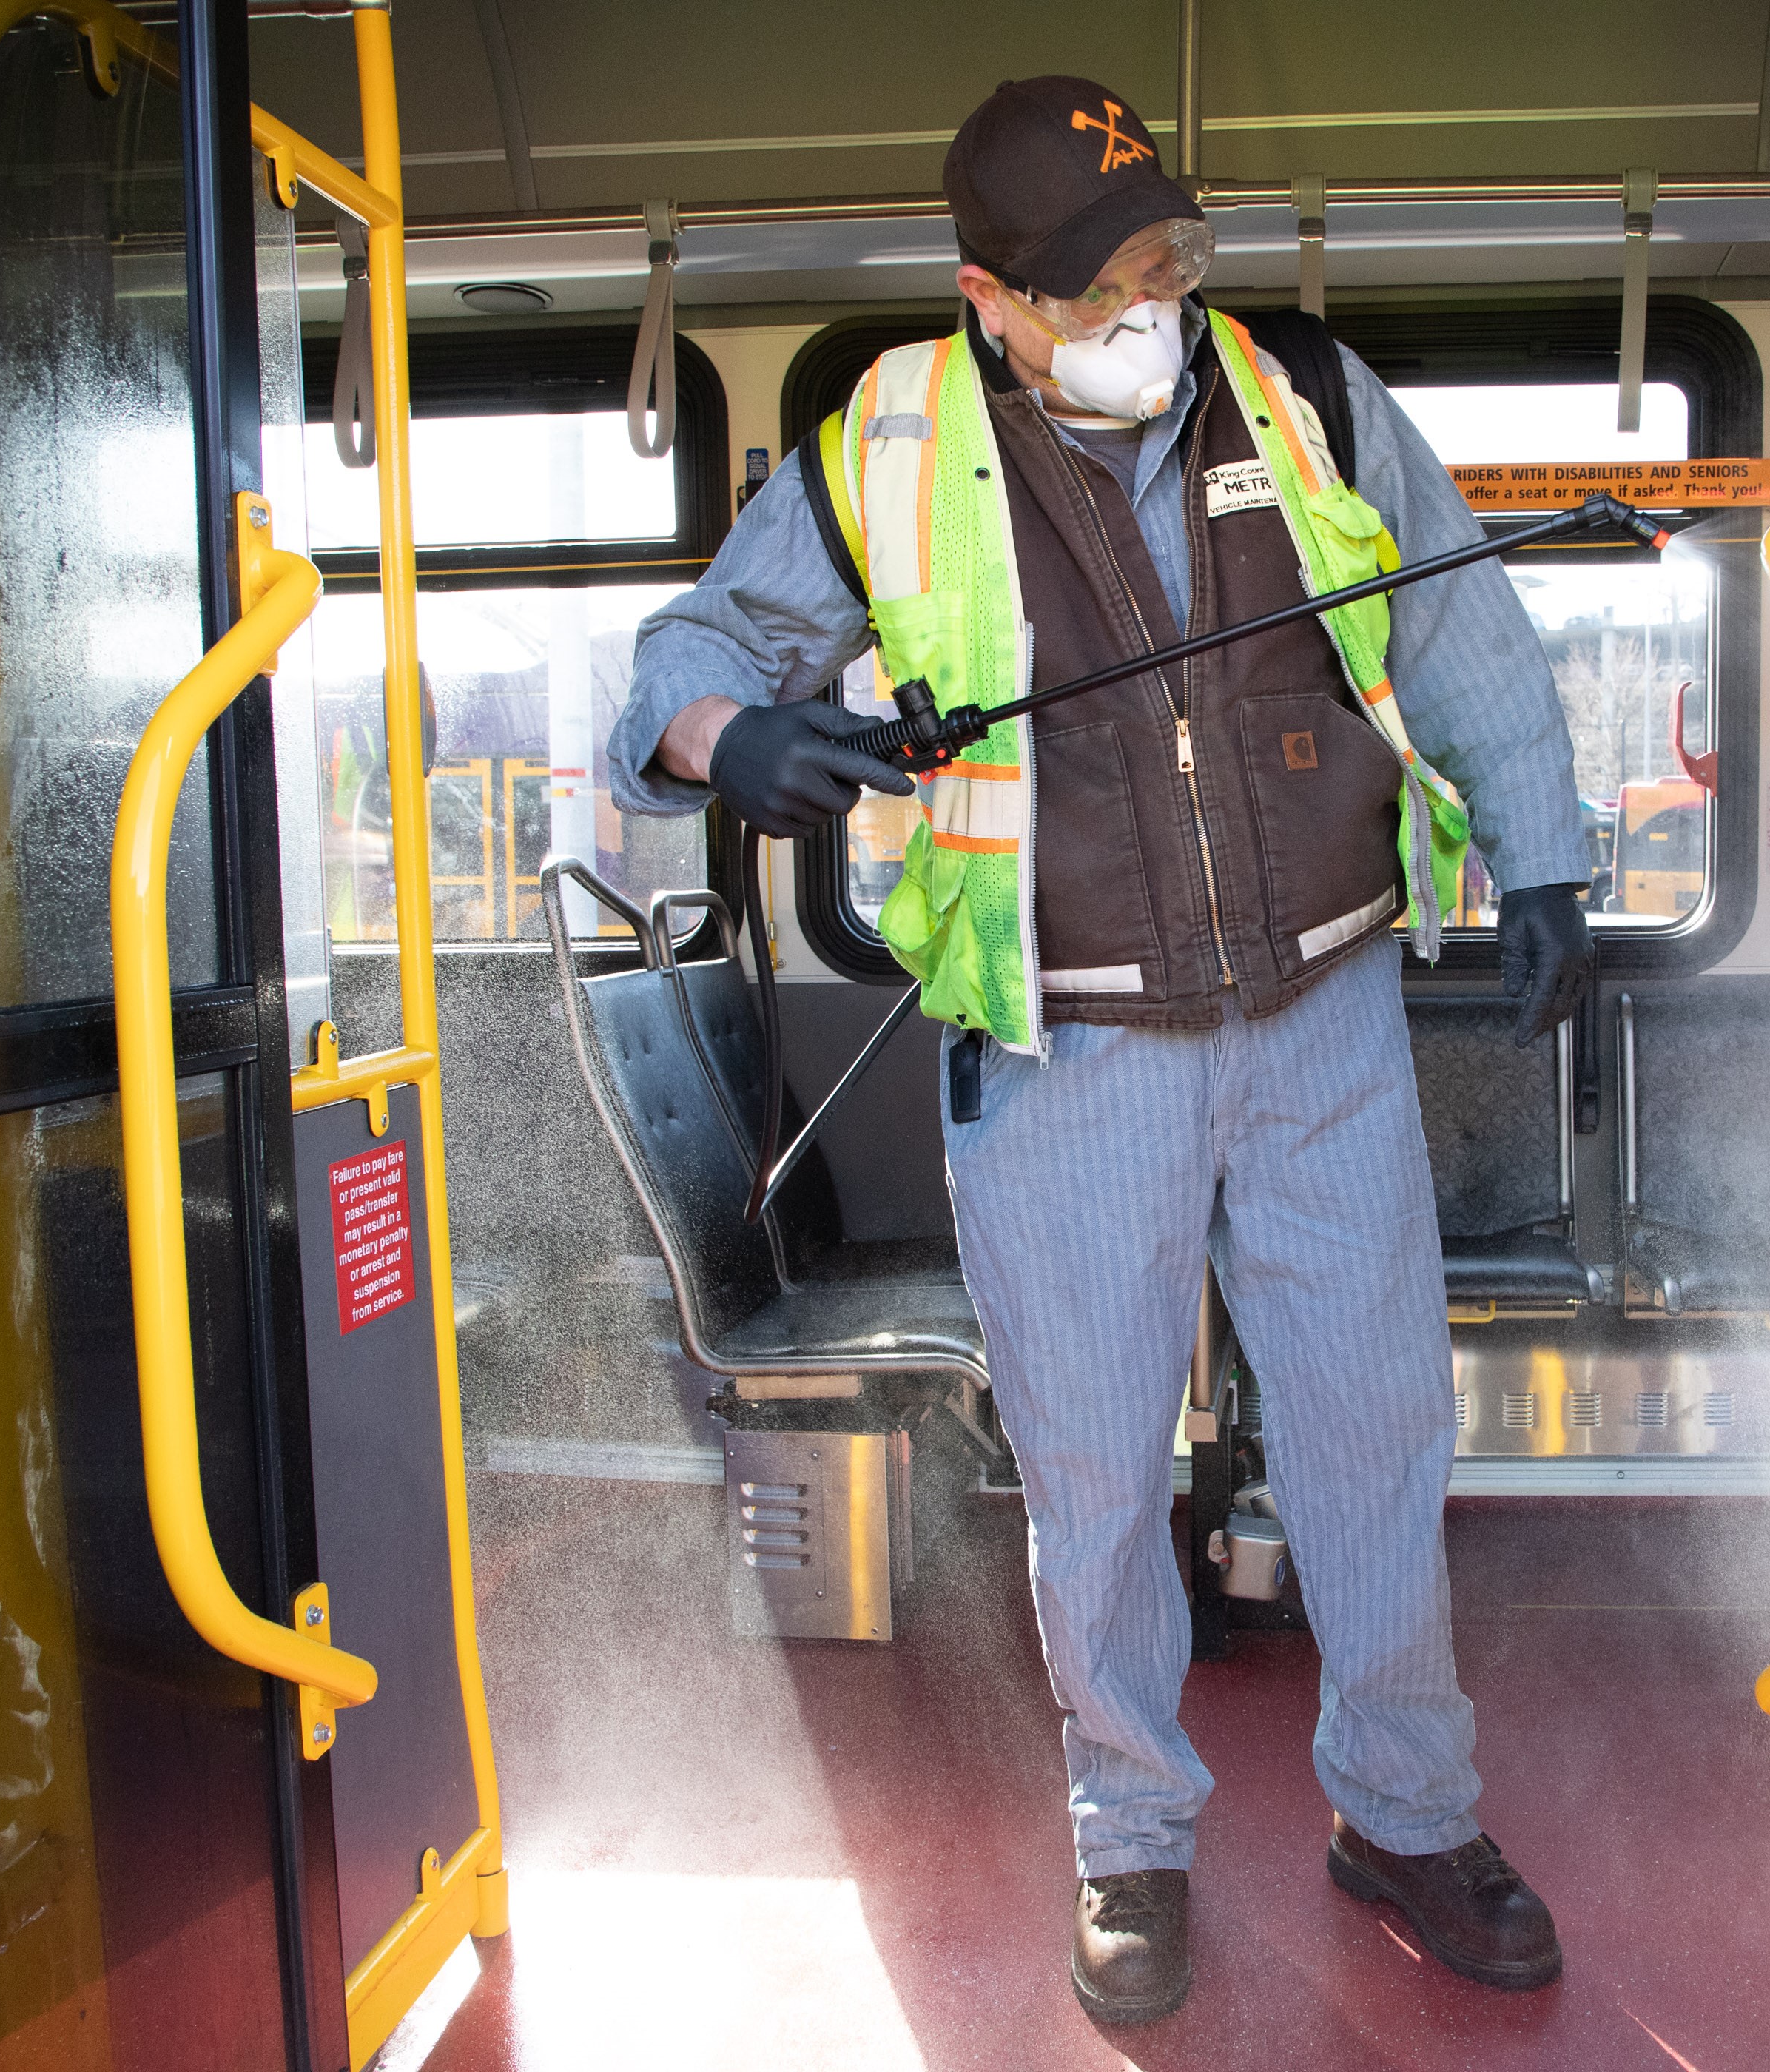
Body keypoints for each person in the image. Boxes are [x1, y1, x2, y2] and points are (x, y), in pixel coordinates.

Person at [607, 75, 1597, 2025]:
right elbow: (681, 665)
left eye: (1171, 255)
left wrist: (1547, 862)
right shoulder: (879, 445)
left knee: (1380, 1439)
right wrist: (750, 744)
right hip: (1065, 1055)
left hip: (1324, 1018)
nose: (1156, 298)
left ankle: (1404, 1811)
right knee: (1086, 1476)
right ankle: (1131, 1837)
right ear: (995, 296)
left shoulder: (1303, 388)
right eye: (1106, 280)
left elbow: (1461, 622)